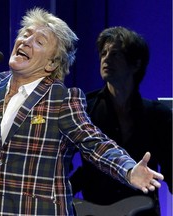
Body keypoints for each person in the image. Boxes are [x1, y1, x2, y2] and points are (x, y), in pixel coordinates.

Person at [0, 9, 164, 215]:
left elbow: (94, 143)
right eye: (25, 34)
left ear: (51, 64)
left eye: (39, 42)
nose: (25, 41)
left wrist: (128, 169)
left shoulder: (61, 98)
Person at [70, 26, 172, 216]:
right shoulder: (84, 108)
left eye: (115, 53)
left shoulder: (158, 115)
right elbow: (64, 161)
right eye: (103, 53)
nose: (106, 59)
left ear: (136, 64)